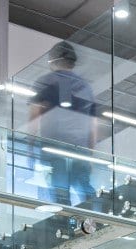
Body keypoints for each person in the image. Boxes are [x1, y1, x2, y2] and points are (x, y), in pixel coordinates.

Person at [28, 41, 100, 206]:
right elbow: (93, 126)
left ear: (52, 61)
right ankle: (95, 216)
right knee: (84, 187)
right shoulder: (85, 87)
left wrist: (30, 146)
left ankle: (65, 219)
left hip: (54, 147)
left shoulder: (45, 82)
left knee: (60, 191)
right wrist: (90, 154)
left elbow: (34, 116)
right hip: (80, 149)